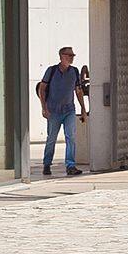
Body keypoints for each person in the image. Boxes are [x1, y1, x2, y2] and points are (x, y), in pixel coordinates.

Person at [36, 46, 87, 177]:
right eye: (69, 55)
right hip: (53, 111)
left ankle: (70, 165)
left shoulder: (74, 71)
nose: (72, 58)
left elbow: (78, 90)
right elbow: (42, 89)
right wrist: (44, 107)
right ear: (62, 56)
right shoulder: (51, 71)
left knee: (71, 137)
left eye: (73, 56)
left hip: (69, 110)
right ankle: (47, 164)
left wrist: (82, 108)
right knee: (51, 138)